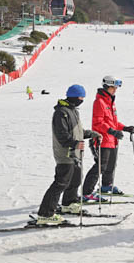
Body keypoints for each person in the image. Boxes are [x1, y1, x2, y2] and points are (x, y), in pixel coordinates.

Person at [36, 84, 102, 225]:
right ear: (73, 96)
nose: (82, 100)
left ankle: (69, 203)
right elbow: (62, 134)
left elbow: (78, 131)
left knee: (75, 180)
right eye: (80, 97)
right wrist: (73, 143)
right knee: (61, 183)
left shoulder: (73, 111)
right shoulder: (61, 112)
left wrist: (91, 134)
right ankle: (45, 214)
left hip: (76, 152)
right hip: (65, 153)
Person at [82, 76, 134, 199]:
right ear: (107, 87)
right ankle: (87, 192)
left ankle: (106, 186)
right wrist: (112, 131)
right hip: (102, 139)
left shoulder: (110, 102)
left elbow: (113, 122)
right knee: (100, 166)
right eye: (113, 87)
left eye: (116, 87)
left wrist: (125, 128)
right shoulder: (99, 102)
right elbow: (98, 123)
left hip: (112, 139)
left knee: (111, 165)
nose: (115, 89)